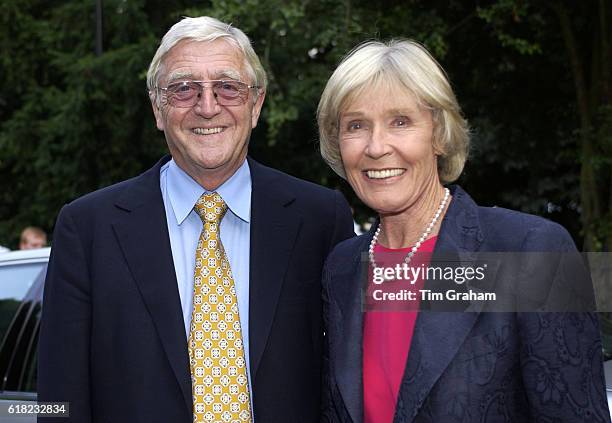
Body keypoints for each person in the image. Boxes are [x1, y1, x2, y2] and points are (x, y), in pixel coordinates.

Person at [38, 16, 354, 423]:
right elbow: (56, 403)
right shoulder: (87, 229)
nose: (207, 107)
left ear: (256, 105)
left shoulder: (319, 219)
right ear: (158, 108)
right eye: (184, 88)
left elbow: (349, 382)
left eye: (228, 87)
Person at [317, 40, 610, 422]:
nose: (376, 146)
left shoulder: (528, 252)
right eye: (356, 125)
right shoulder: (342, 268)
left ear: (438, 133)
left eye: (400, 121)